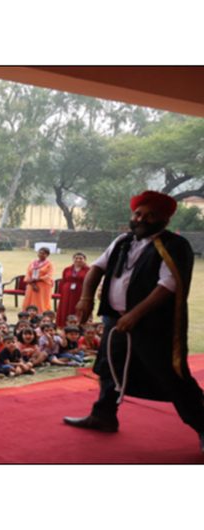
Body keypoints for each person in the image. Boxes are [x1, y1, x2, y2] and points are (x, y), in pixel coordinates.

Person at [64, 190, 204, 453]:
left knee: (171, 375)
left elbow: (168, 285)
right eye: (138, 213)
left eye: (150, 215)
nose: (141, 219)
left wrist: (135, 314)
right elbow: (96, 268)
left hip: (152, 326)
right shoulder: (122, 241)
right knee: (108, 369)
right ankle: (103, 416)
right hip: (115, 320)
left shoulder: (174, 245)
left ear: (163, 219)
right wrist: (85, 299)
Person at [56, 252, 90, 328]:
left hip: (80, 291)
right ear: (73, 259)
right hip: (66, 292)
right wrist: (61, 292)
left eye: (80, 258)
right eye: (76, 258)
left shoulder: (88, 270)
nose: (78, 260)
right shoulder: (67, 269)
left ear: (84, 260)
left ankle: (78, 323)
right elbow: (63, 280)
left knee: (77, 307)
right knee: (65, 307)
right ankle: (63, 324)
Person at [22, 247, 54, 313]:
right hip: (31, 285)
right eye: (40, 253)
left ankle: (41, 315)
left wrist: (37, 279)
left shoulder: (49, 264)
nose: (41, 254)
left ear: (47, 255)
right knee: (28, 301)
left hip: (43, 286)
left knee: (41, 302)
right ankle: (27, 315)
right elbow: (28, 273)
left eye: (43, 253)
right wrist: (32, 283)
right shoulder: (32, 262)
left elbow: (49, 276)